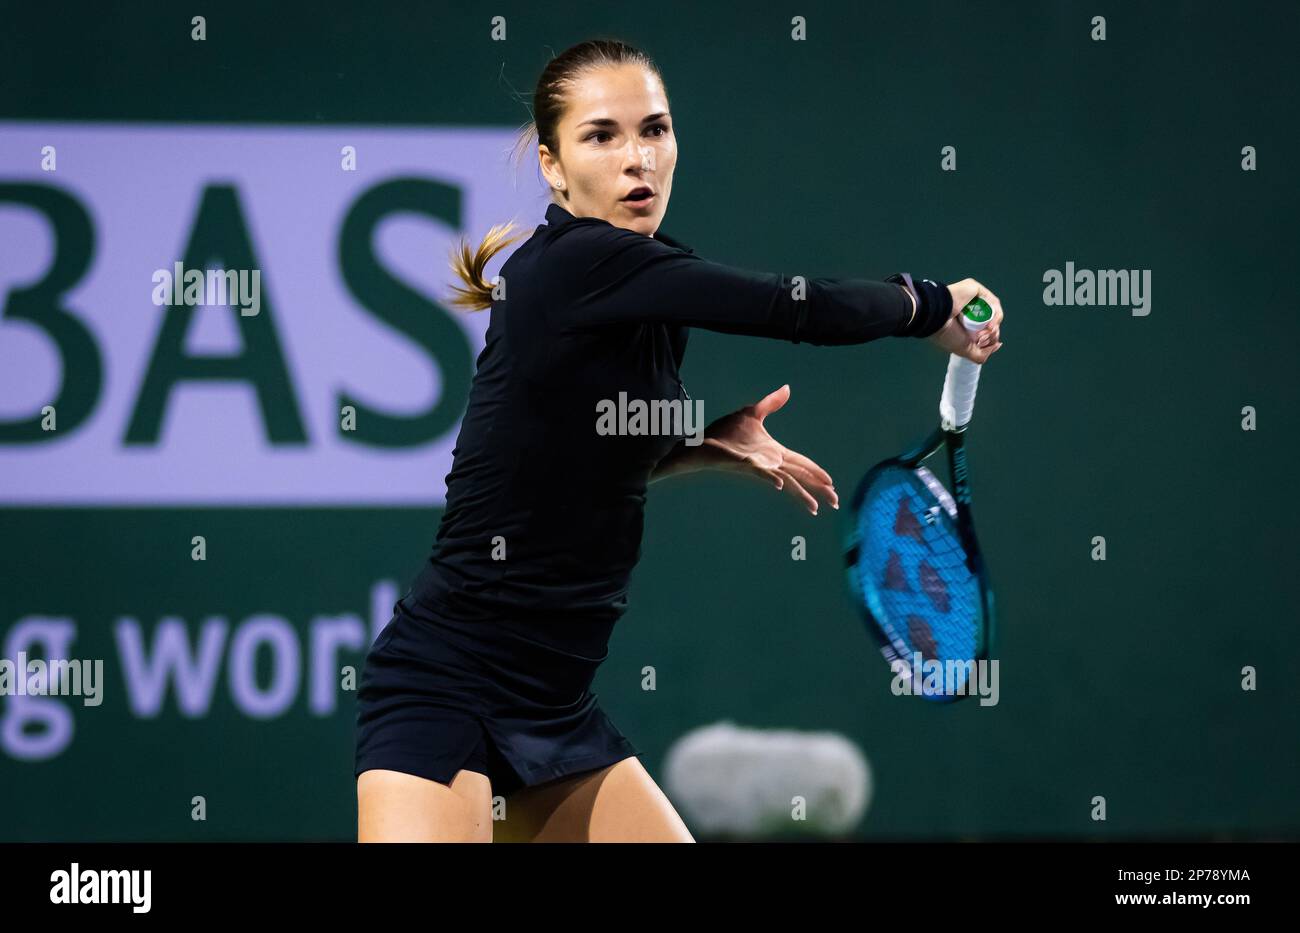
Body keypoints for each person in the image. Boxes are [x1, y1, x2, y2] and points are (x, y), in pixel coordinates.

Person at [355, 37, 1004, 843]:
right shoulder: (581, 263)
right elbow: (791, 307)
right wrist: (931, 304)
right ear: (554, 168)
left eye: (654, 129)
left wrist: (700, 441)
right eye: (602, 136)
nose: (638, 159)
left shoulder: (639, 282)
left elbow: (556, 460)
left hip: (555, 703)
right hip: (446, 686)